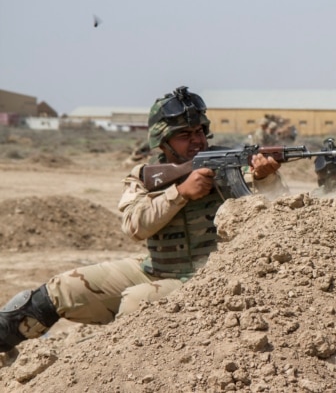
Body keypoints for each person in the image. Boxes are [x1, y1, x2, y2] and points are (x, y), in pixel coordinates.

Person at [0, 86, 285, 353]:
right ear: (163, 141)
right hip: (158, 268)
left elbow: (279, 218)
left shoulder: (233, 167)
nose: (197, 140)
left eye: (200, 131)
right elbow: (134, 227)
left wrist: (265, 177)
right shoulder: (146, 175)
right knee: (59, 290)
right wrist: (180, 193)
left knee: (138, 301)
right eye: (185, 134)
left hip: (210, 280)